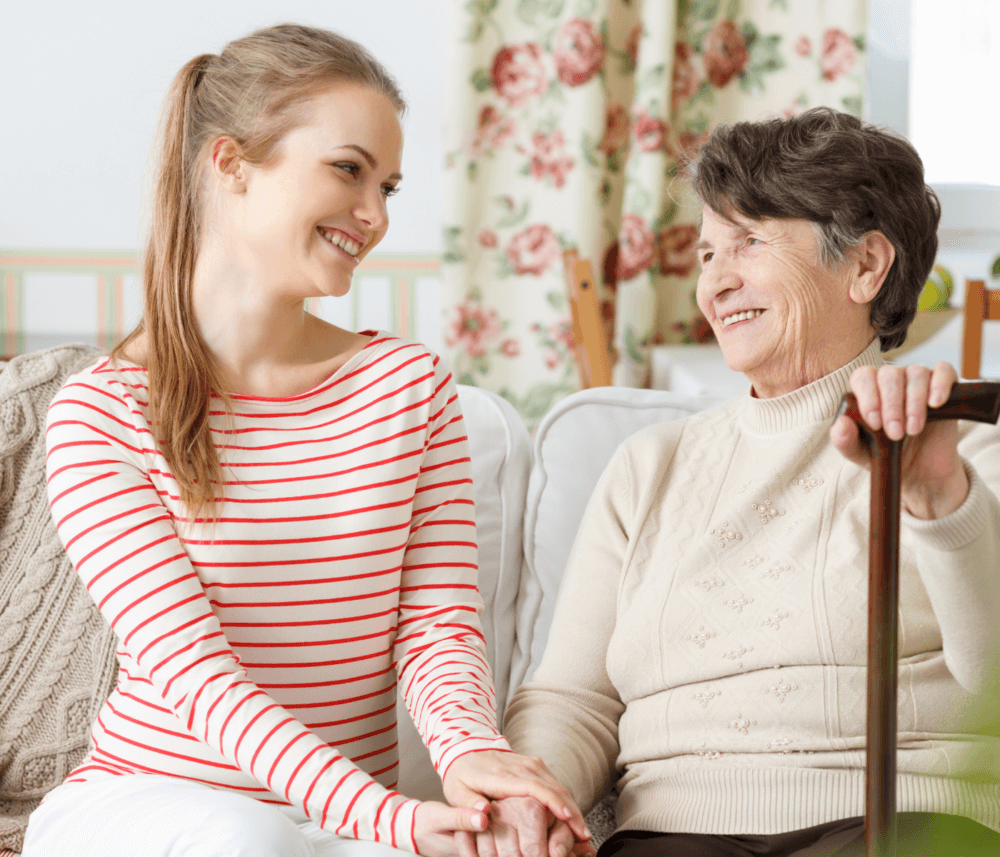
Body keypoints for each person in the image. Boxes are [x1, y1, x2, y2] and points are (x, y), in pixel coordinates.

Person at [25, 24, 588, 857]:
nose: (375, 215)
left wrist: (475, 758)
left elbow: (438, 630)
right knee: (242, 838)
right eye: (349, 170)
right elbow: (201, 682)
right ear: (231, 164)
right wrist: (391, 819)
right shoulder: (98, 416)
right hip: (149, 810)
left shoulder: (408, 389)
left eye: (389, 186)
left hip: (336, 824)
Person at [494, 108, 1000, 857]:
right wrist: (533, 791)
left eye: (750, 242)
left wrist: (937, 498)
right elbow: (575, 698)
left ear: (865, 266)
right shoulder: (648, 466)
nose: (716, 282)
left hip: (897, 821)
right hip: (672, 832)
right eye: (706, 253)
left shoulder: (966, 445)